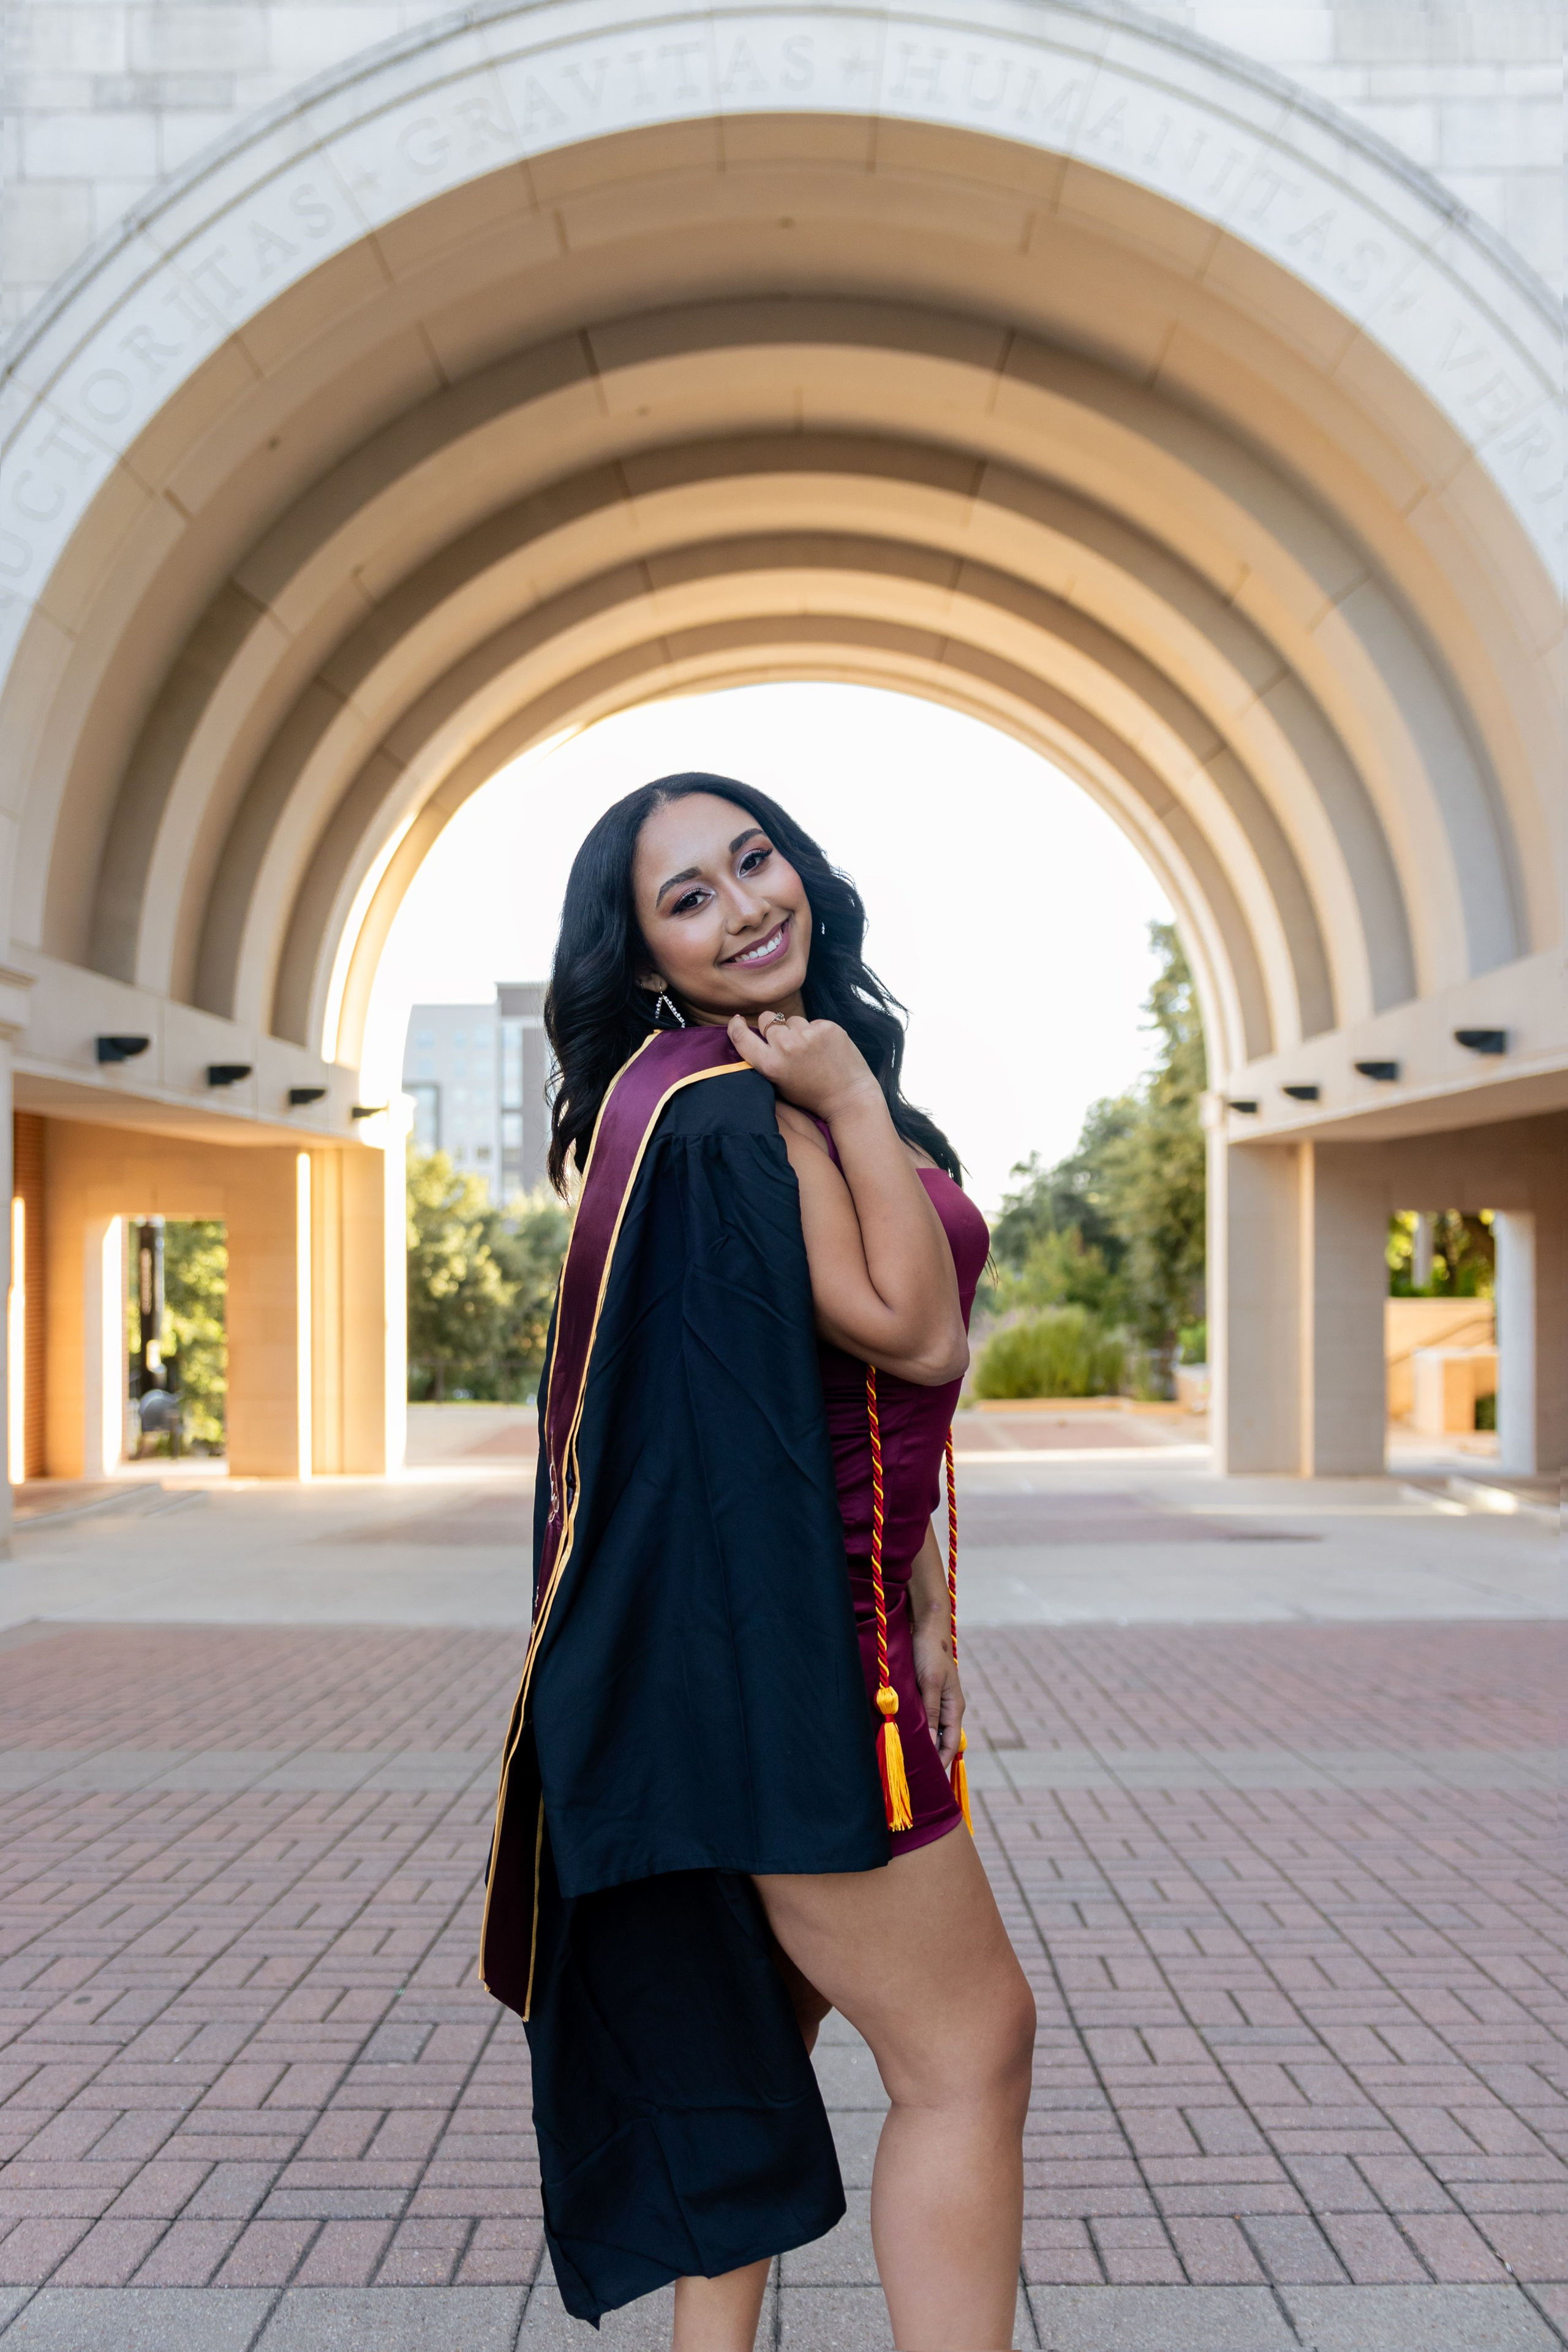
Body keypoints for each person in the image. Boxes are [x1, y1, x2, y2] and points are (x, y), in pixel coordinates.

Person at [481, 775, 1035, 2351]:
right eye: (691, 899)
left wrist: (926, 1591)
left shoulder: (754, 1083)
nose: (745, 905)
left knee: (753, 2057)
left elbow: (825, 1398)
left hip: (835, 1620)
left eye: (751, 859)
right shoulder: (735, 1113)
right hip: (801, 1667)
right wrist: (853, 1103)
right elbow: (913, 1333)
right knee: (972, 2045)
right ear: (646, 956)